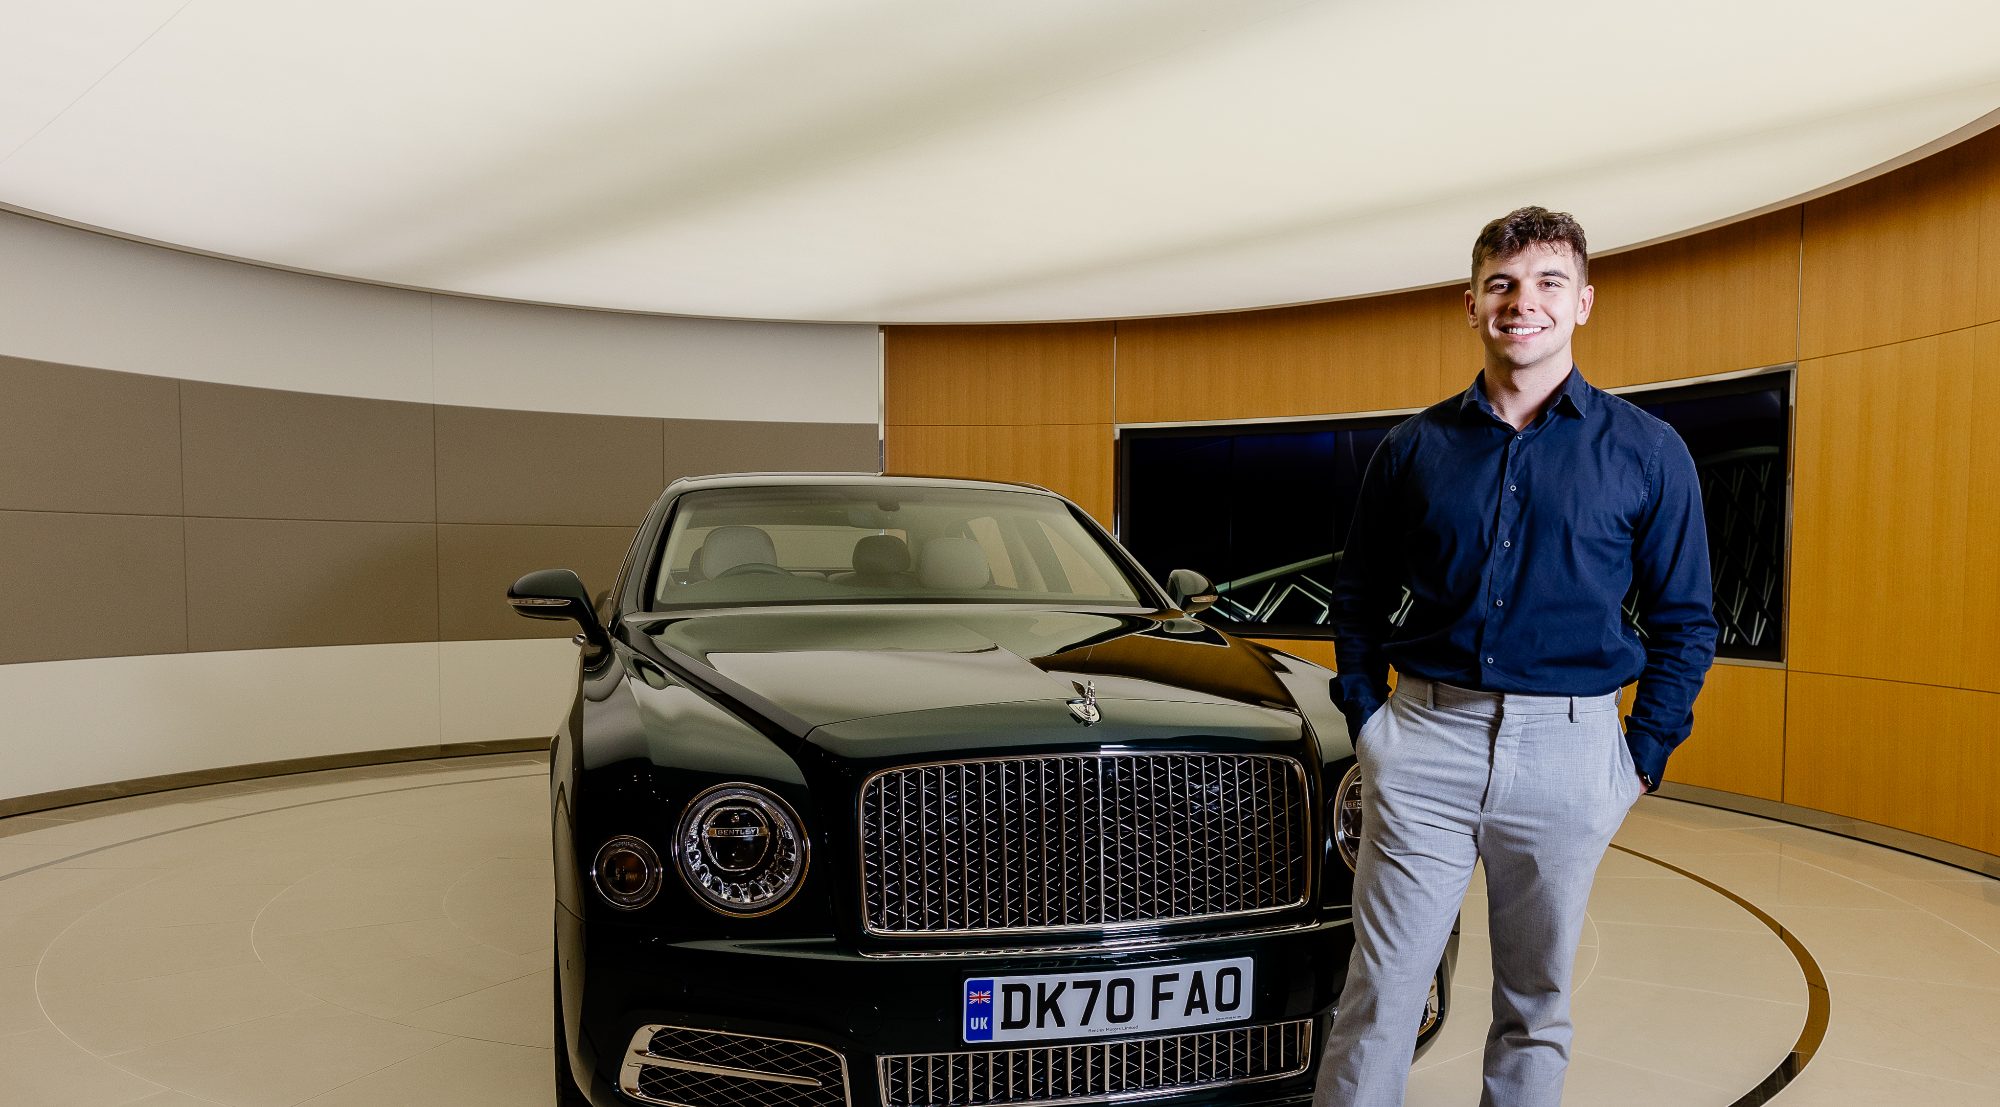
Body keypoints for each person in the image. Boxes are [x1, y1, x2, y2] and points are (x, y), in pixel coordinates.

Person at [1314, 206, 1718, 1106]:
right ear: (1471, 302)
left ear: (1583, 304)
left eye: (1546, 282)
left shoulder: (1648, 454)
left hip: (1573, 754)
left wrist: (1638, 758)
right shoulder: (1413, 449)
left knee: (1534, 1004)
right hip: (1423, 741)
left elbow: (1687, 621)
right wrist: (1369, 720)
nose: (1521, 301)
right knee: (1379, 994)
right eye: (1501, 282)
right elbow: (1358, 598)